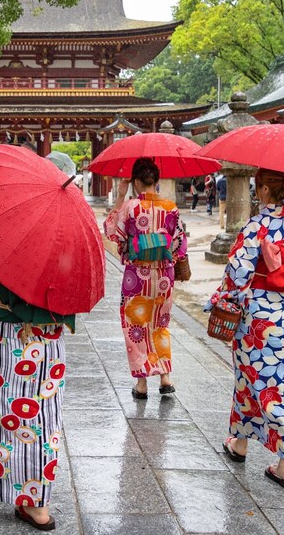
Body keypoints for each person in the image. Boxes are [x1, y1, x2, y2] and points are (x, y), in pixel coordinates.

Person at [209, 168, 284, 491]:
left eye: (259, 187)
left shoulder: (256, 227)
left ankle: (240, 444)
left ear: (266, 192)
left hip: (258, 320)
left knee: (248, 380)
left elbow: (236, 274)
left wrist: (225, 297)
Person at [0, 252, 73, 531]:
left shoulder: (4, 233)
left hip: (6, 335)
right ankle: (37, 505)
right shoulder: (68, 239)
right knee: (44, 418)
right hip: (49, 339)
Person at [104, 158, 188, 398]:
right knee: (160, 325)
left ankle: (142, 384)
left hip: (137, 276)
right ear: (156, 181)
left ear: (136, 182)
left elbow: (112, 231)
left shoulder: (131, 207)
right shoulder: (171, 207)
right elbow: (180, 244)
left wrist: (120, 196)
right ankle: (165, 377)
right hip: (163, 275)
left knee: (136, 327)